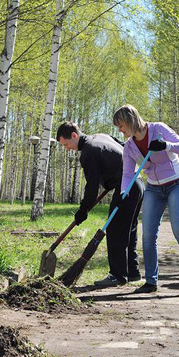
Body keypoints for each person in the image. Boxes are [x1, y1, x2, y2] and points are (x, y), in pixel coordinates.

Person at [112, 104, 179, 296]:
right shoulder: (128, 147)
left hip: (177, 183)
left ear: (129, 120)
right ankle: (151, 281)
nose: (119, 130)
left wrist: (165, 145)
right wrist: (122, 193)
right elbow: (128, 174)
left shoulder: (158, 129)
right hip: (153, 188)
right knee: (148, 234)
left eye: (120, 125)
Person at [56, 121, 144, 287]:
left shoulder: (88, 151)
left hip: (127, 186)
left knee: (115, 229)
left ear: (74, 136)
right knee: (128, 229)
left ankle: (117, 275)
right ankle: (132, 273)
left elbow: (92, 185)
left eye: (66, 144)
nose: (67, 148)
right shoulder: (100, 137)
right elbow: (123, 148)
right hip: (137, 182)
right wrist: (112, 178)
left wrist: (84, 209)